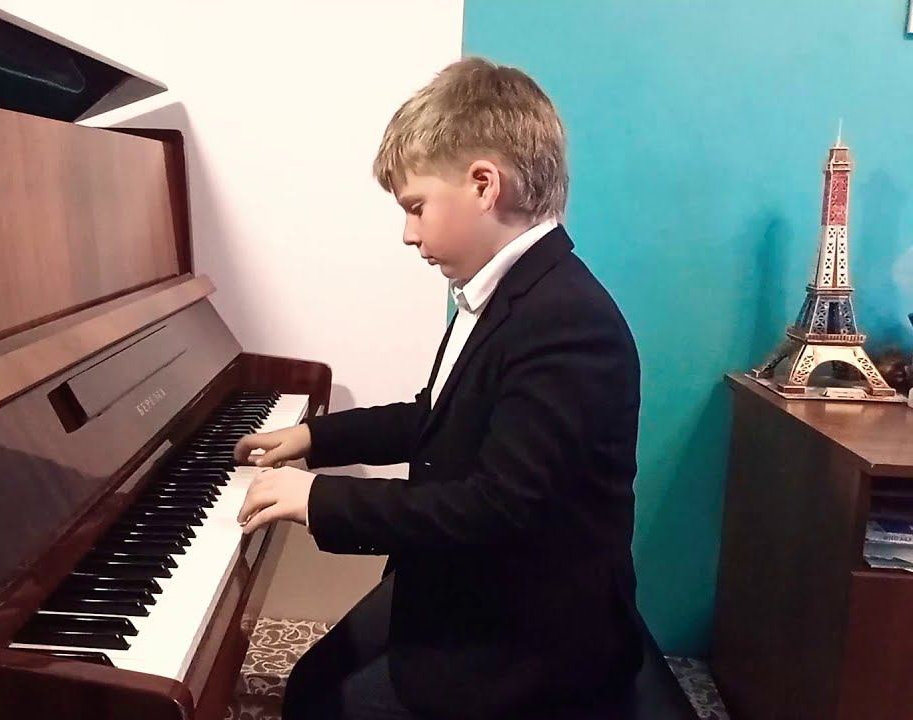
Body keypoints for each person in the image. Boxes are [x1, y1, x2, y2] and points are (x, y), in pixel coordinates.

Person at [233, 57, 645, 719]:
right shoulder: (503, 292)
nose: (408, 233)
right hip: (470, 578)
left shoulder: (567, 322)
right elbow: (437, 416)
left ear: (484, 184)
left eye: (416, 207)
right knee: (311, 683)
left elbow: (496, 507)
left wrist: (319, 498)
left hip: (531, 633)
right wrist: (315, 437)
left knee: (330, 705)